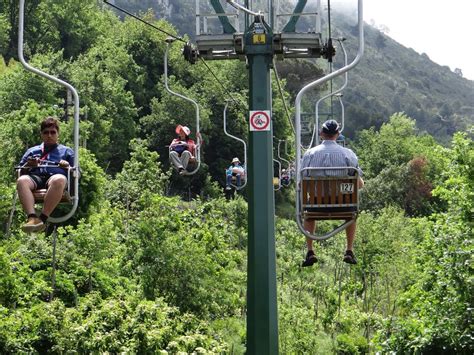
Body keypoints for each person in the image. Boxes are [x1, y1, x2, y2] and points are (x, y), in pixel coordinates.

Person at [301, 119, 364, 267]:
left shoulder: (309, 154)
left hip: (316, 205)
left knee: (307, 212)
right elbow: (358, 183)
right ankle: (349, 249)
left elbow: (301, 182)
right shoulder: (348, 154)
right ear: (338, 134)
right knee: (352, 212)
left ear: (321, 134)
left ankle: (310, 250)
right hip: (343, 205)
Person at [17, 117, 74, 233]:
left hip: (54, 178)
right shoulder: (32, 151)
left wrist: (67, 166)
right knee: (22, 180)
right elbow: (19, 171)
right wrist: (29, 164)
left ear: (58, 134)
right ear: (41, 135)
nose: (49, 135)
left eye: (53, 132)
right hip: (36, 178)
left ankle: (42, 218)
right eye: (46, 133)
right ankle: (32, 217)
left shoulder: (67, 151)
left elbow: (76, 173)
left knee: (59, 179)